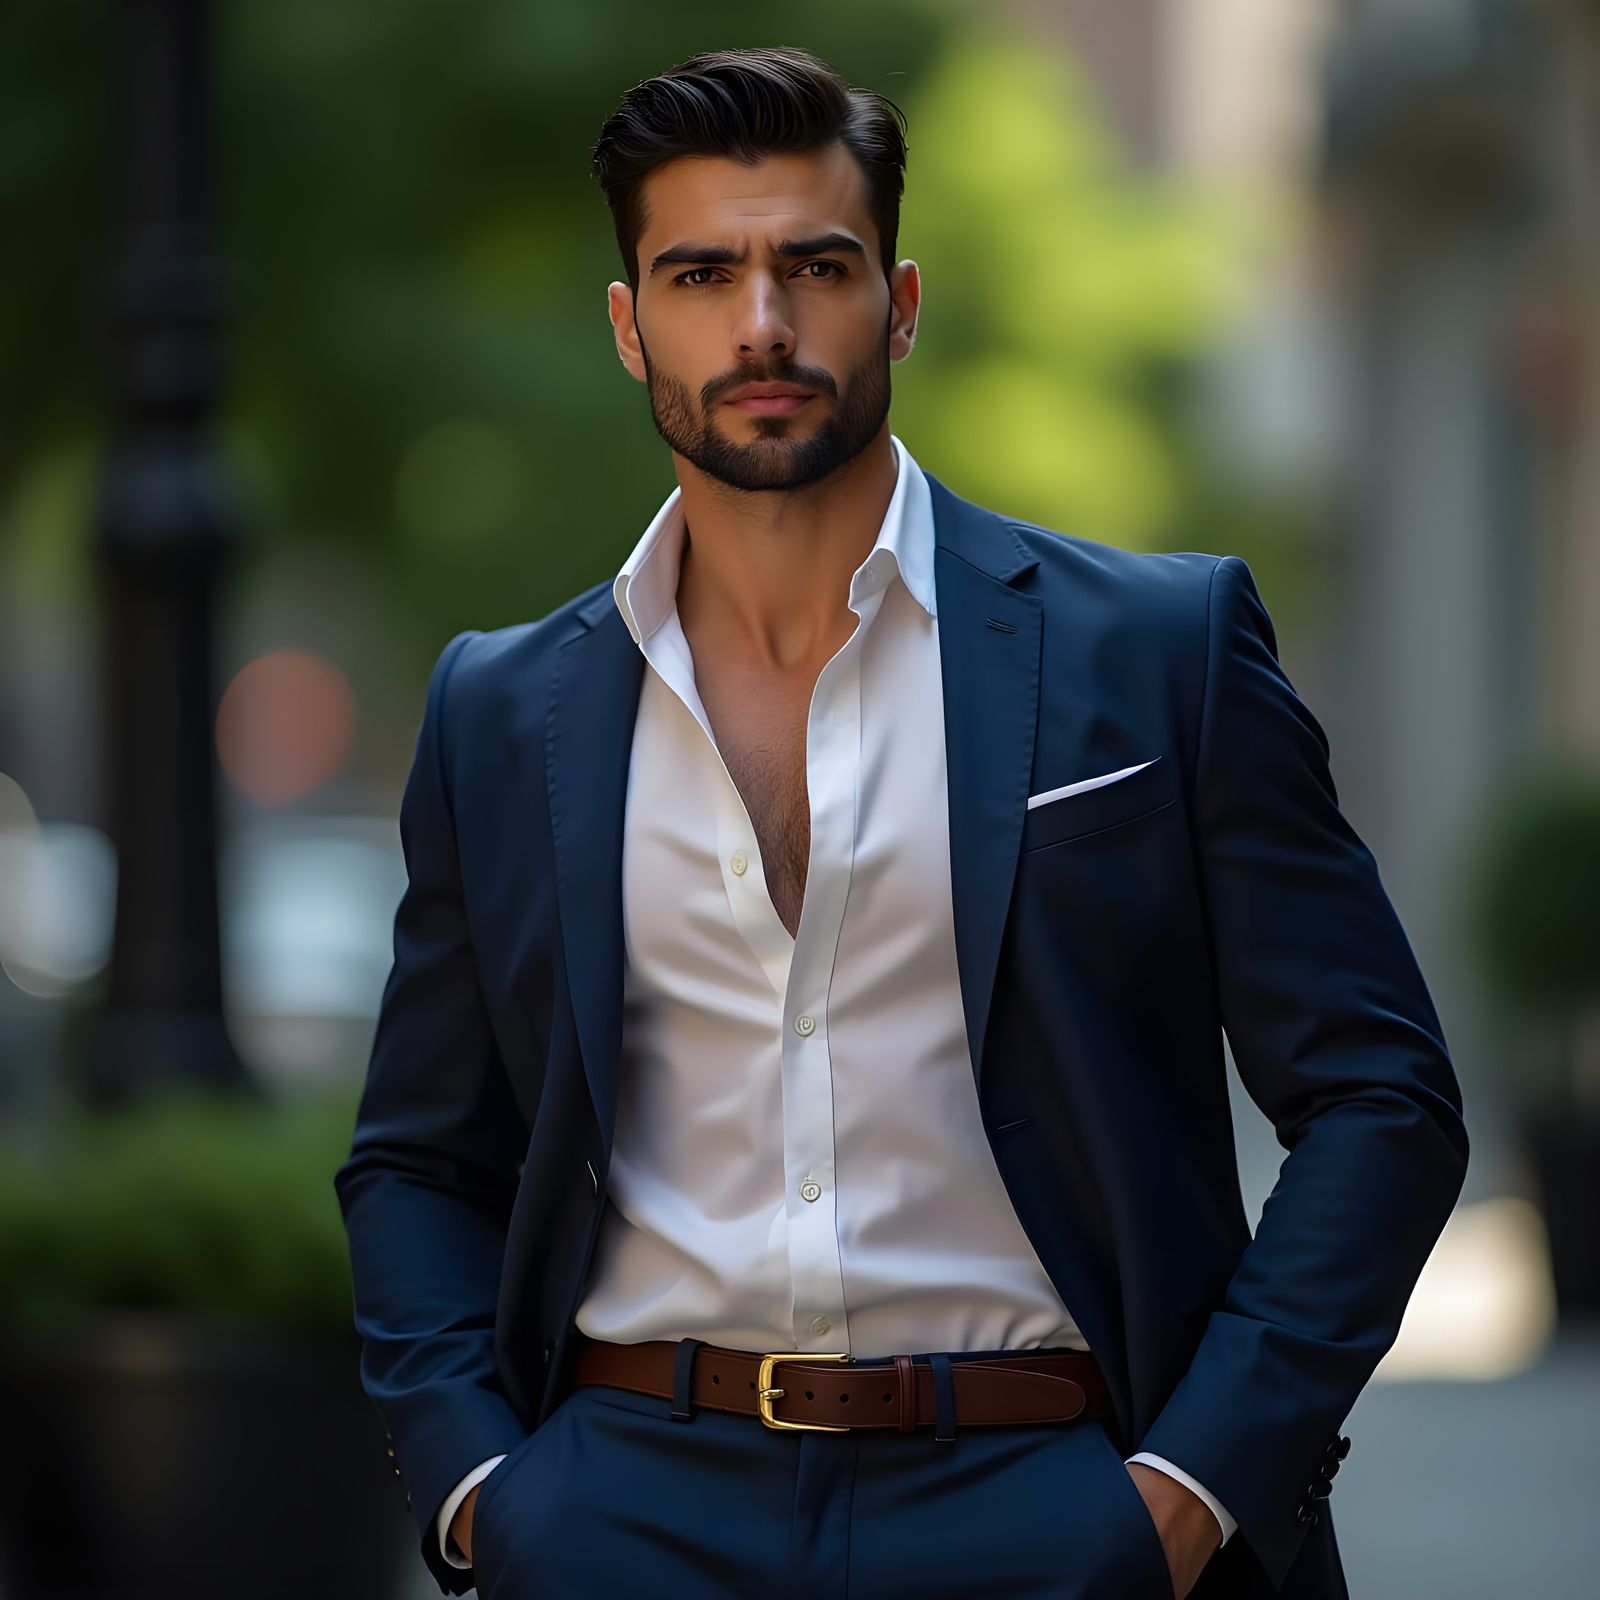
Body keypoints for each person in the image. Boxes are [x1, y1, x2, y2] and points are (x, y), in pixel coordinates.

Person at [334, 45, 1468, 1600]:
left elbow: (1382, 1098)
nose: (762, 324)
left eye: (817, 264)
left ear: (903, 301)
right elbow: (415, 1159)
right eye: (699, 272)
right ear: (627, 324)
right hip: (630, 1510)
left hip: (1048, 1497)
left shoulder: (1157, 651)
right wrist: (483, 1491)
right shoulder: (498, 710)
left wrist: (1193, 1490)